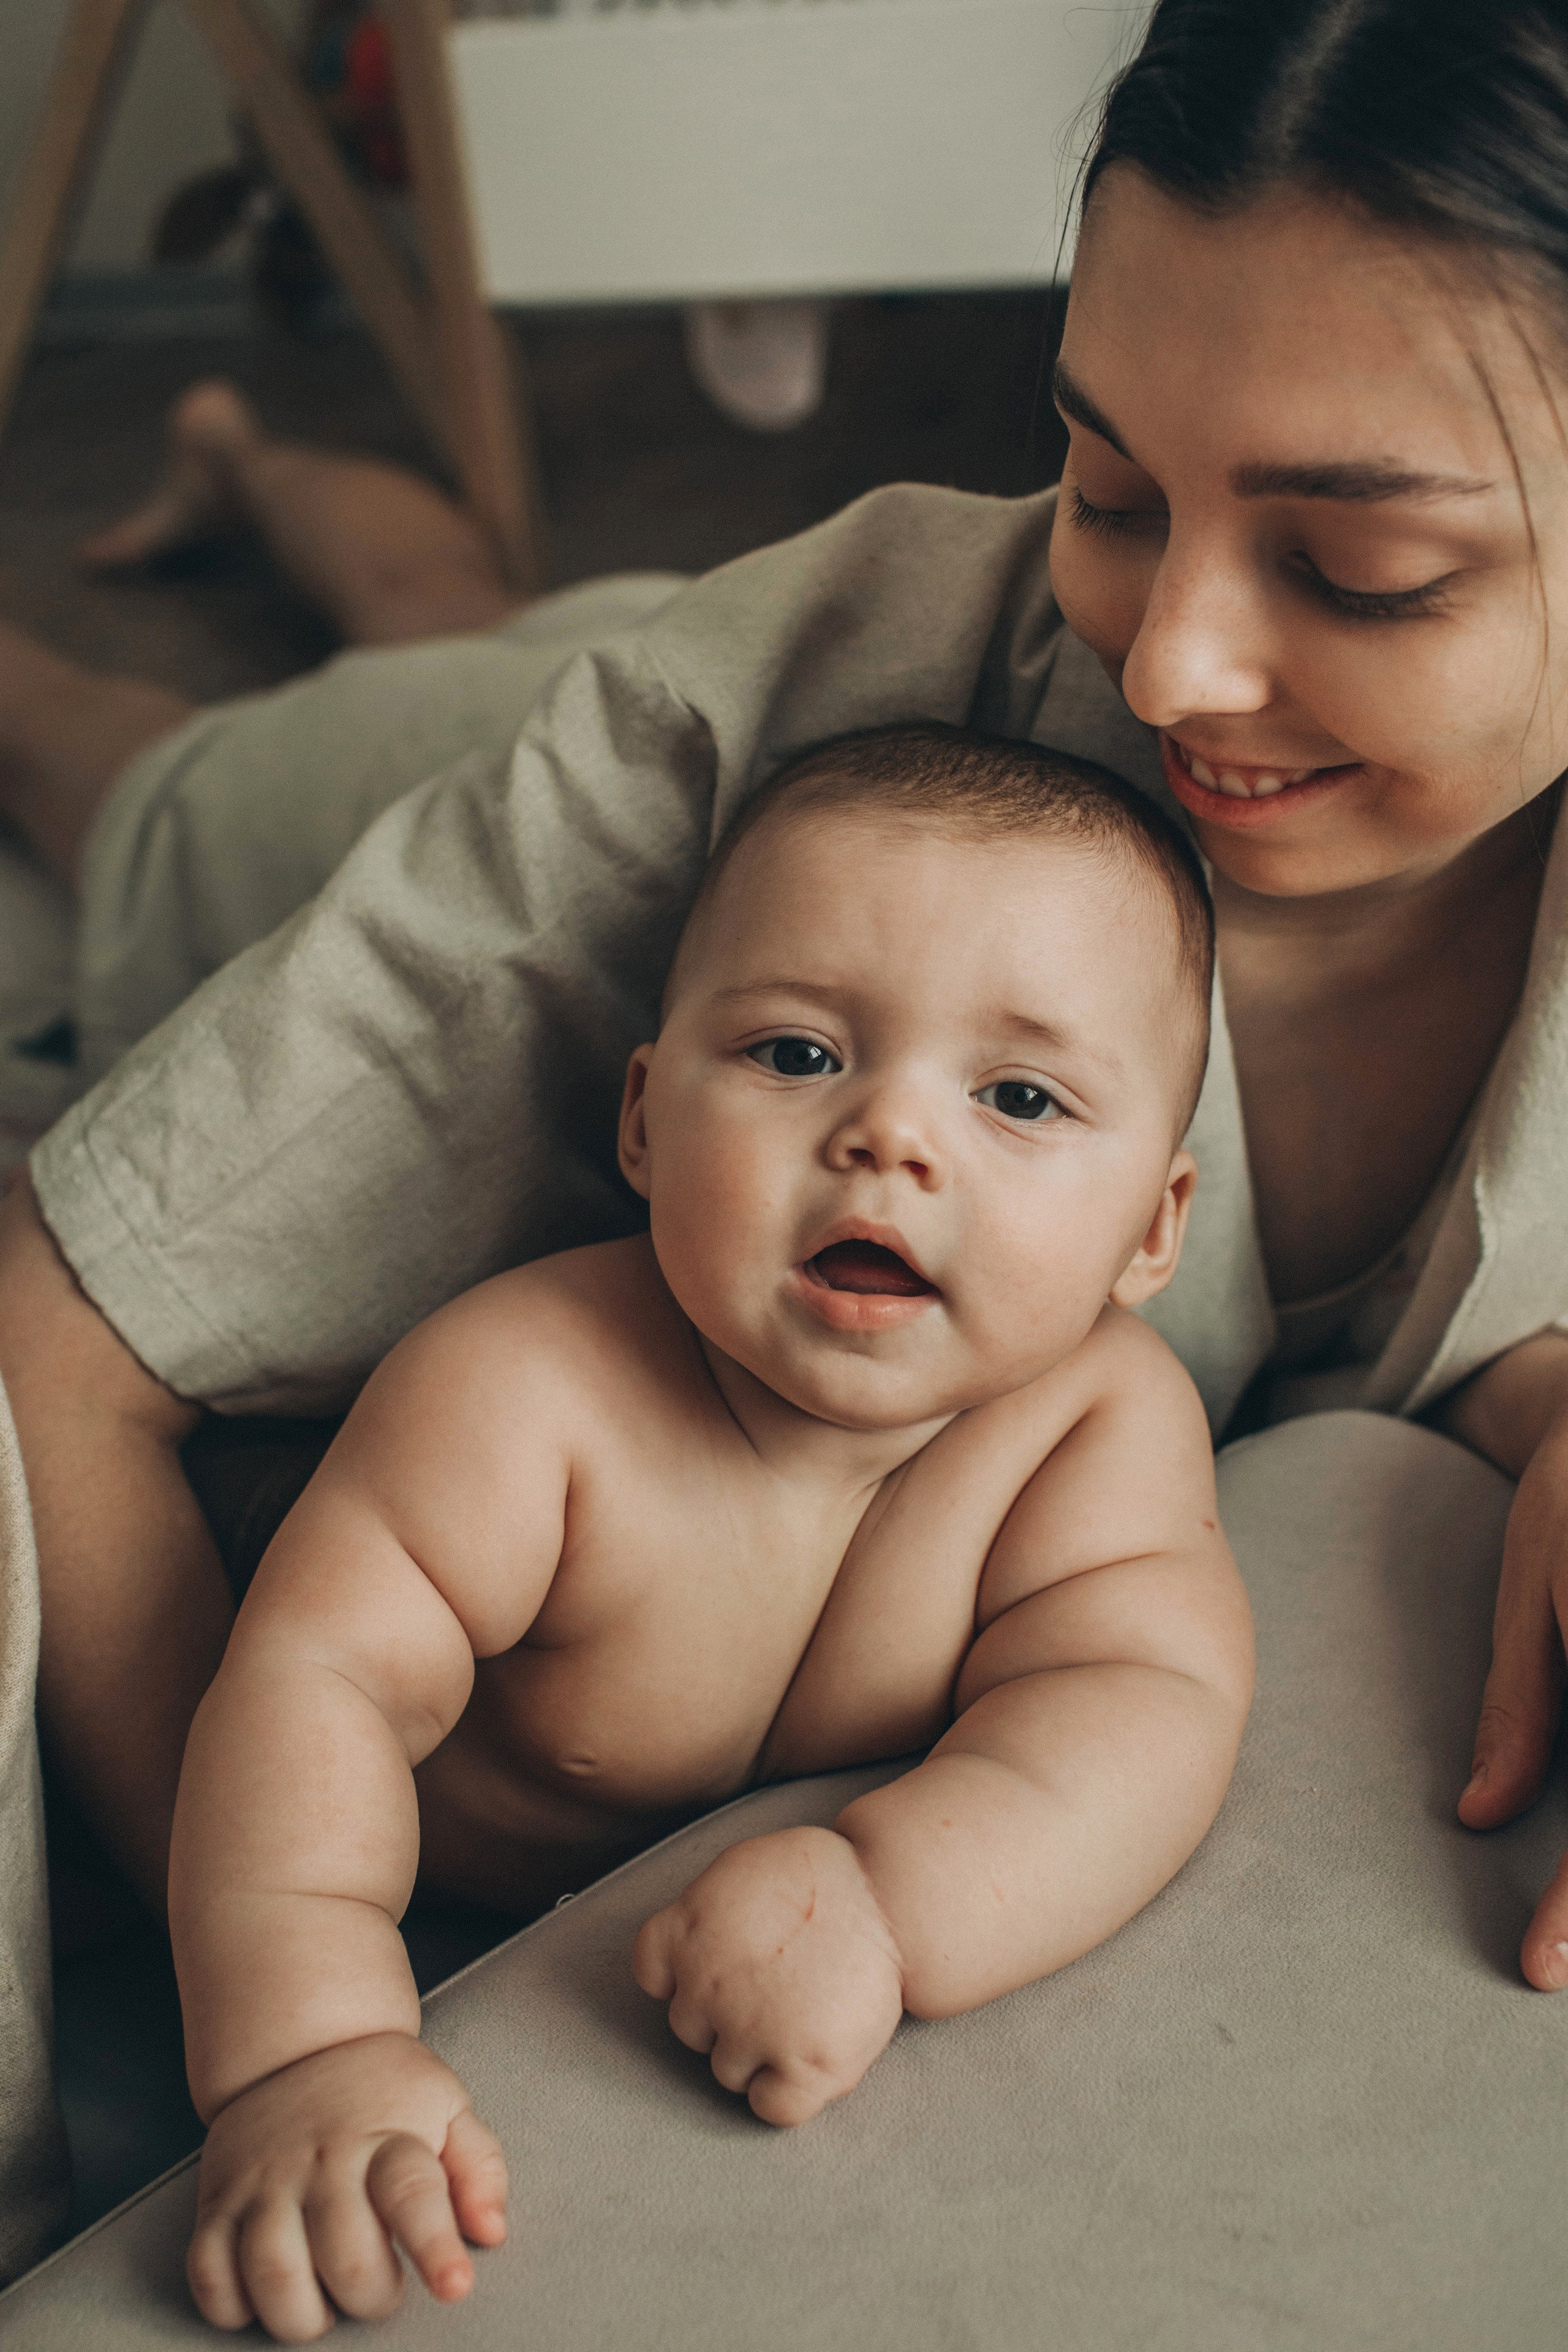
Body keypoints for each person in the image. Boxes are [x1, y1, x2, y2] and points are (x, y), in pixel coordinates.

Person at [1, 0, 1567, 2000]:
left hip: (614, 672)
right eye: (1103, 487)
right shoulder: (726, 731)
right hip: (624, 751)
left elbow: (1451, 1276)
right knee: (143, 792)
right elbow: (69, 1319)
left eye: (1356, 569)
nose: (1165, 670)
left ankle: (272, 472)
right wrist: (290, 1992)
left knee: (464, 624)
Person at [169, 725, 1250, 2340]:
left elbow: (1145, 1702)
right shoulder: (525, 1395)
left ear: (1152, 1228)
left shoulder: (1090, 1428)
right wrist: (308, 2047)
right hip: (389, 1785)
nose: (892, 1137)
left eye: (1018, 1096)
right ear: (644, 1121)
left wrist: (896, 1902)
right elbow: (313, 1685)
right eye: (796, 1055)